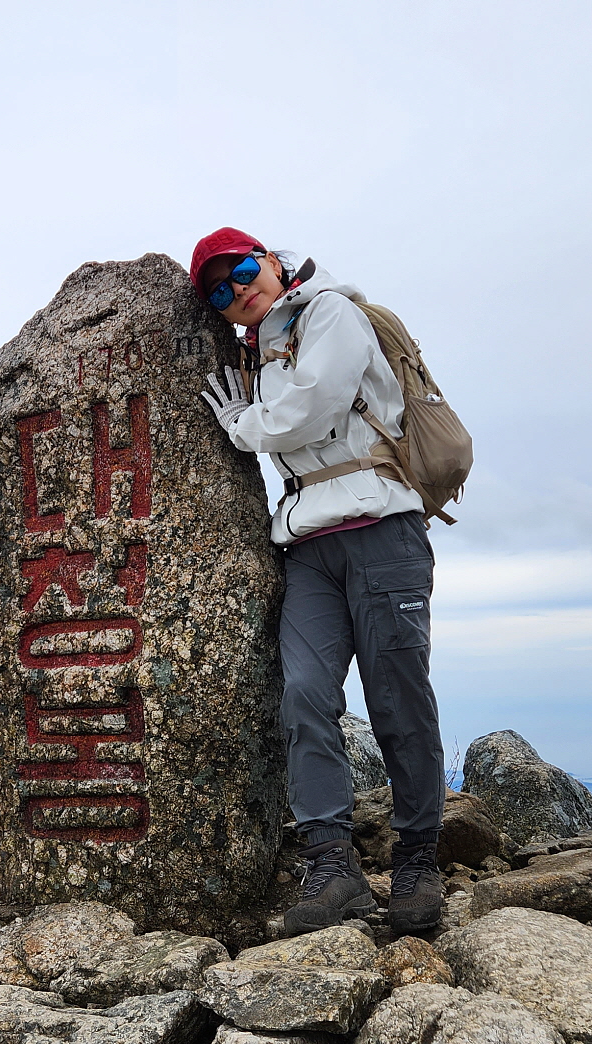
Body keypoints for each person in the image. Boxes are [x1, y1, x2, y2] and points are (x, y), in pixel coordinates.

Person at [190, 227, 448, 935]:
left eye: (243, 270)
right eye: (219, 292)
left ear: (271, 260)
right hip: (306, 546)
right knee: (304, 694)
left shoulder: (333, 311)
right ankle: (332, 867)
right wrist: (257, 414)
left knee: (398, 698)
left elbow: (313, 407)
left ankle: (418, 863)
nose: (238, 290)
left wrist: (243, 424)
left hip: (382, 529)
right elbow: (291, 418)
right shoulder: (260, 349)